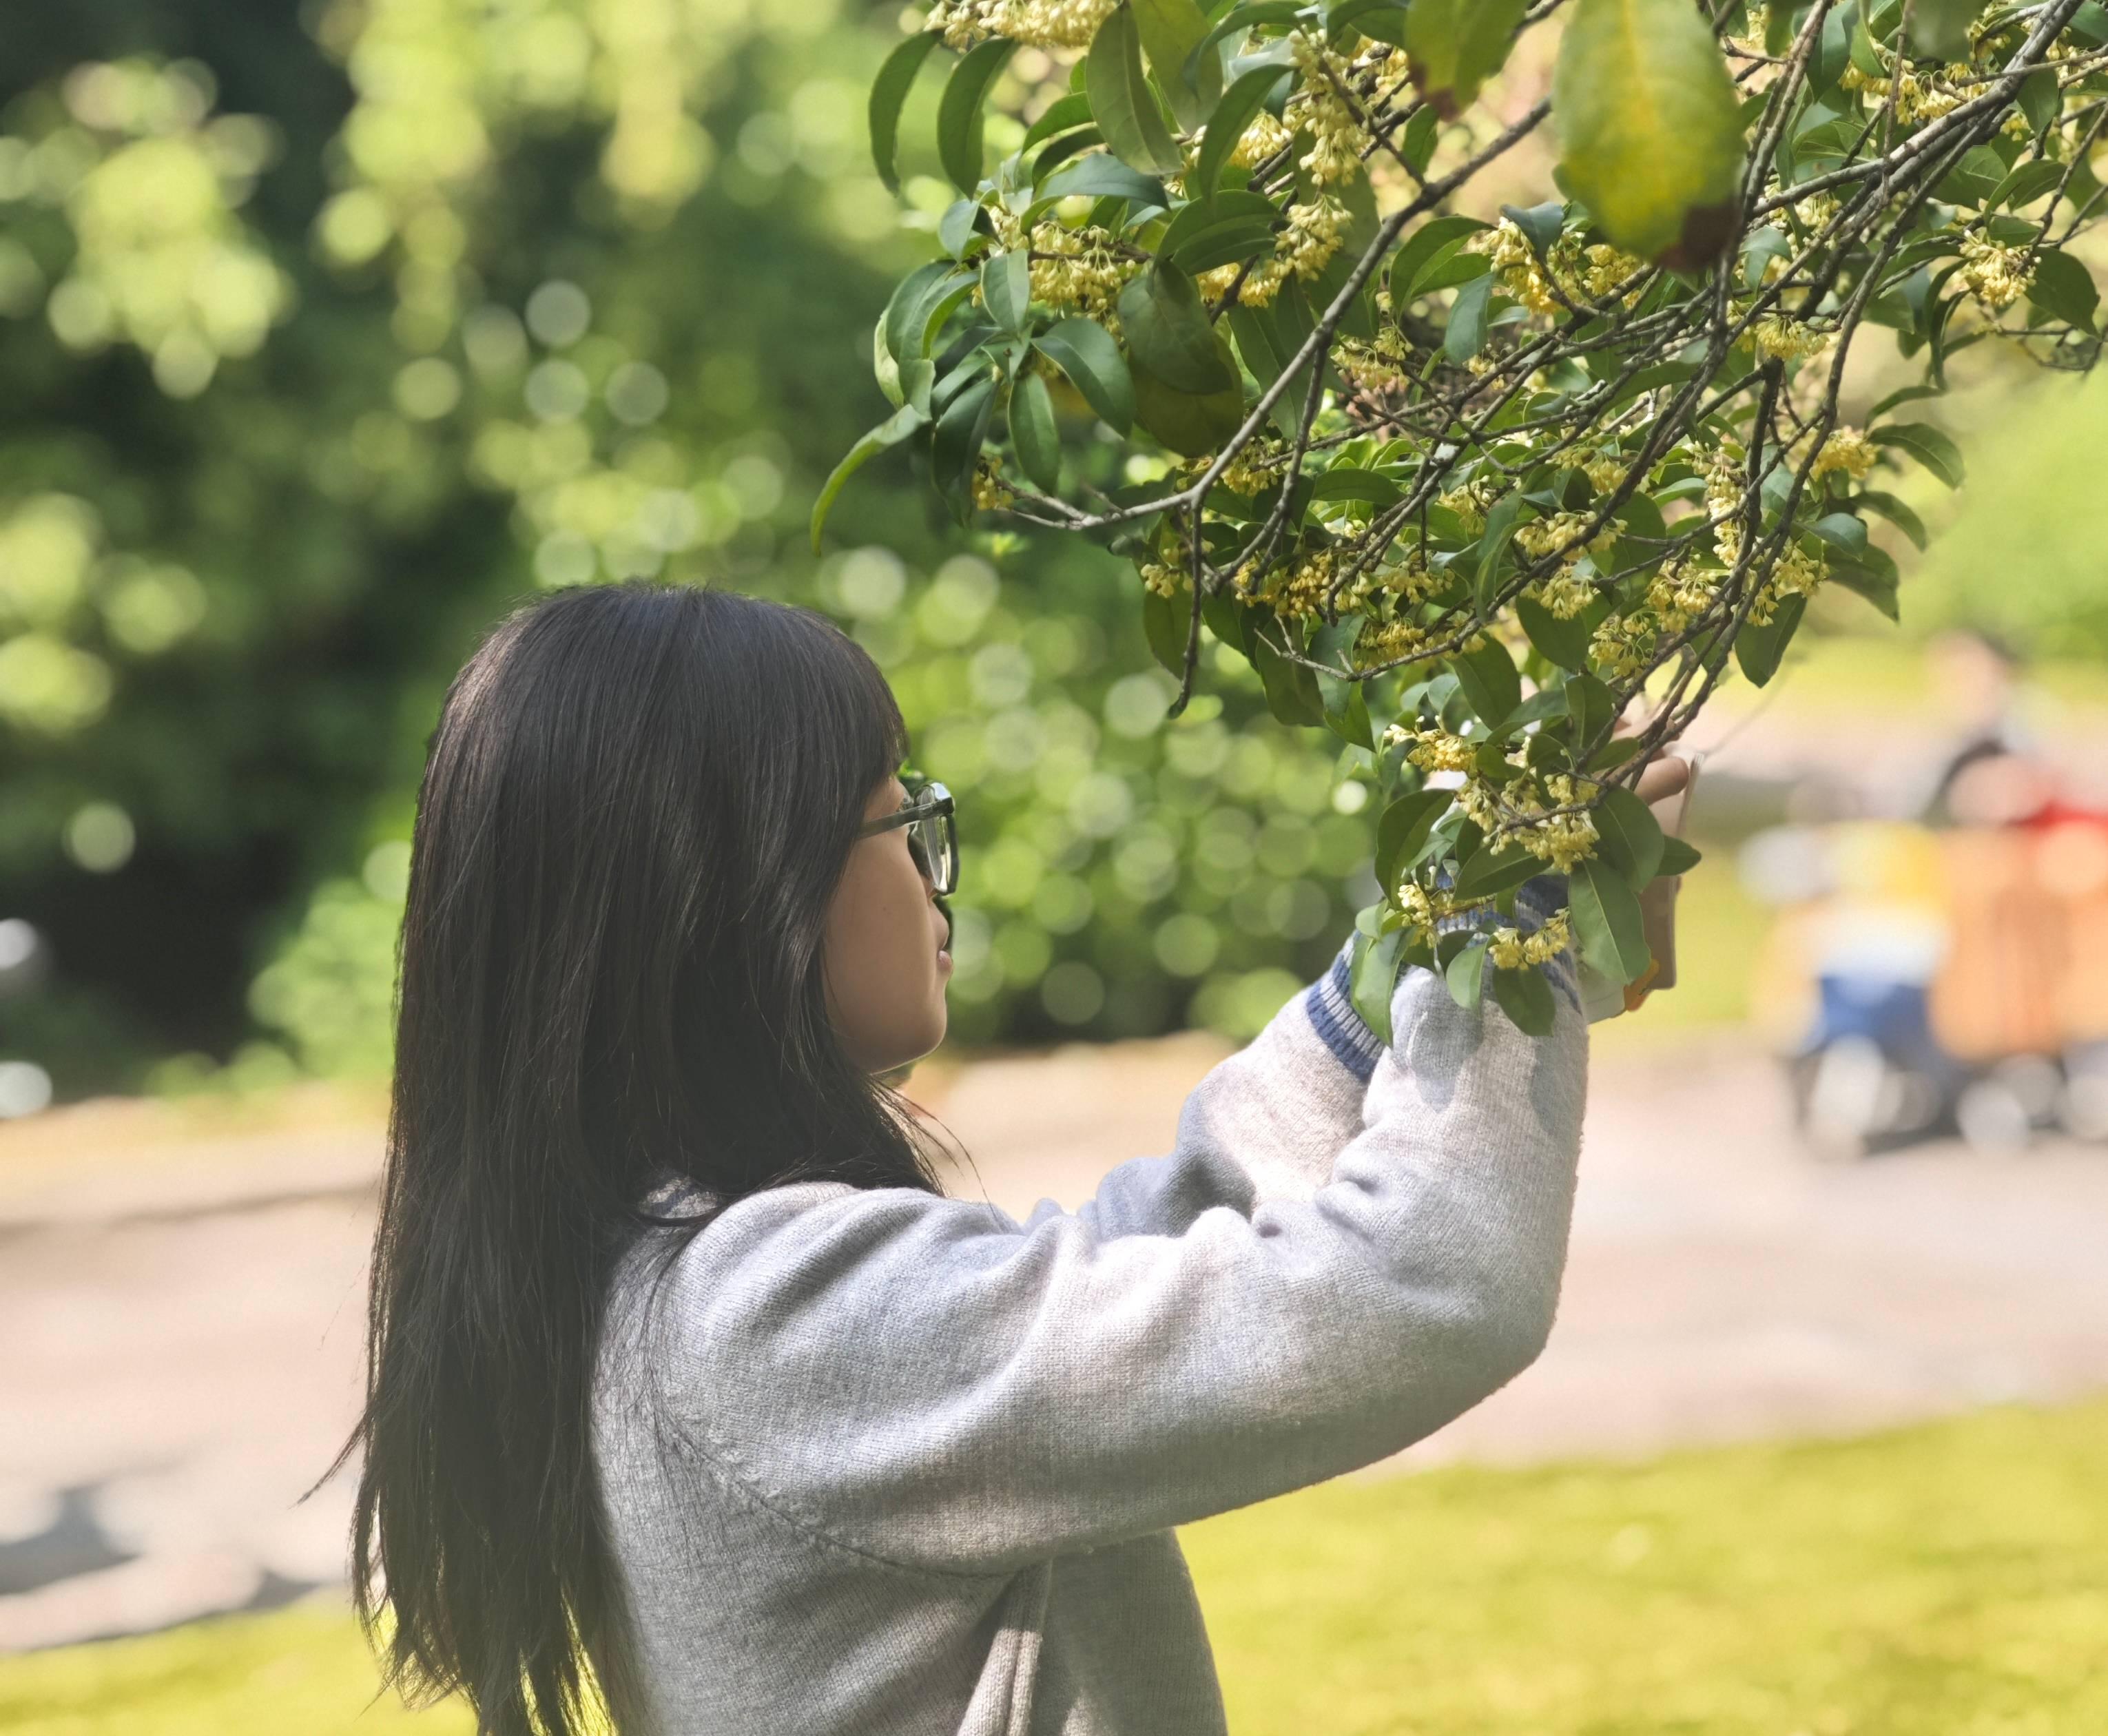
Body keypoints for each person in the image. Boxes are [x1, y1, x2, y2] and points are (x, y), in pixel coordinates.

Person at [344, 579, 1687, 1736]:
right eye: (895, 814)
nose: (933, 870)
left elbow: (1146, 1255)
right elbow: (1418, 1288)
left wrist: (1436, 929)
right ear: (741, 887)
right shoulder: (768, 1316)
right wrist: (1522, 918)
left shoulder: (664, 1281)